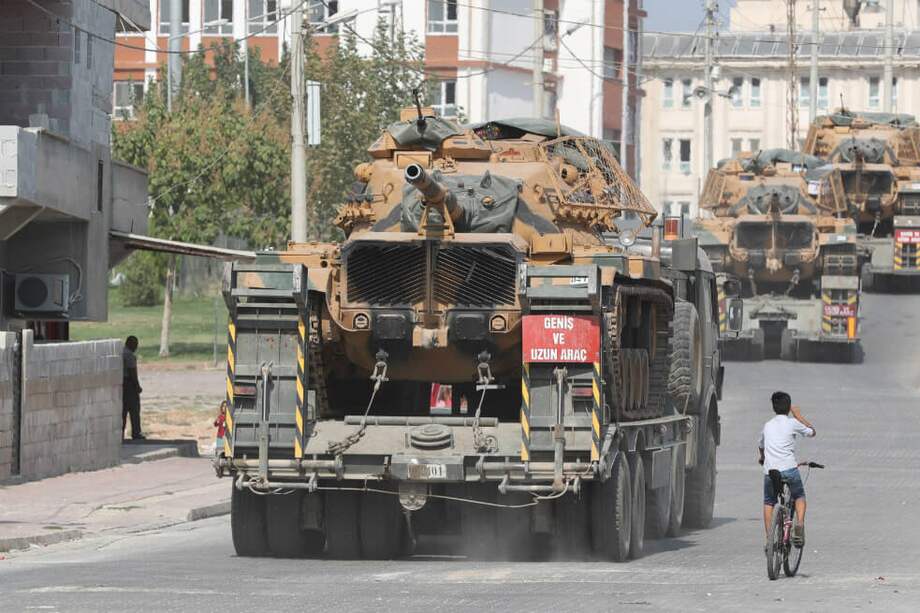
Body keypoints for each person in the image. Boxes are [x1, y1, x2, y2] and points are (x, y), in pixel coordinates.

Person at [759, 391, 815, 549]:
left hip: (771, 471)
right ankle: (800, 525)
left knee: (769, 501)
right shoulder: (792, 422)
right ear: (789, 407)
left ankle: (769, 539)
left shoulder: (767, 425)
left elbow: (761, 445)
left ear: (773, 407)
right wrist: (798, 415)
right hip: (790, 469)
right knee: (799, 496)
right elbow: (812, 432)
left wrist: (762, 458)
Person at [123, 335, 145, 440]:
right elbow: (132, 372)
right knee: (134, 409)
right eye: (135, 344)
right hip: (129, 385)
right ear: (130, 344)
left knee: (123, 411)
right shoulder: (130, 356)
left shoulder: (121, 352)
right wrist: (137, 387)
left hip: (122, 385)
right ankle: (136, 432)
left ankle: (120, 432)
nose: (136, 347)